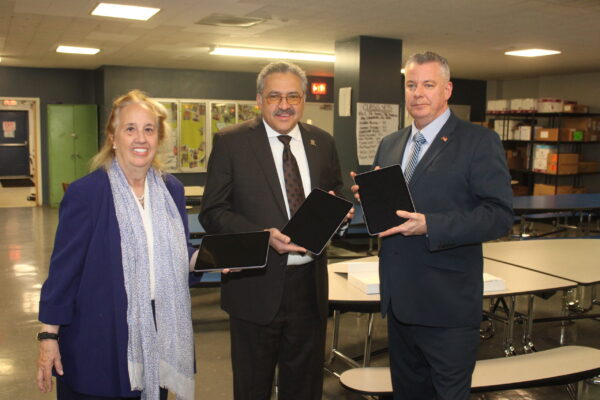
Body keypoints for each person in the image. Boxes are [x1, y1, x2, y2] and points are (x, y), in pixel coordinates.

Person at [351, 52, 513, 399]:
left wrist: (431, 225)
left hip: (447, 305)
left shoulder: (478, 142)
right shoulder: (390, 144)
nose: (418, 93)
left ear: (447, 90)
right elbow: (391, 218)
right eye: (411, 85)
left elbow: (499, 215)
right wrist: (370, 202)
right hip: (399, 304)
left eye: (428, 84)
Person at [200, 61, 347, 400]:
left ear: (304, 100)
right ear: (259, 100)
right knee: (253, 387)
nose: (284, 105)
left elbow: (334, 193)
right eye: (275, 96)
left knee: (306, 386)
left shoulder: (321, 142)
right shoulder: (231, 142)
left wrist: (339, 213)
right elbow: (213, 212)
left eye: (293, 96)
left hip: (309, 289)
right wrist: (262, 237)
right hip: (255, 285)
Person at [36, 90, 196, 400]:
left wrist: (201, 259)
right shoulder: (88, 194)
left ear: (159, 137)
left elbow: (178, 252)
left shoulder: (170, 190)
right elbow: (64, 272)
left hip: (157, 332)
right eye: (130, 128)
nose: (141, 138)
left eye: (149, 129)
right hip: (98, 338)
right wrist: (48, 336)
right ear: (113, 137)